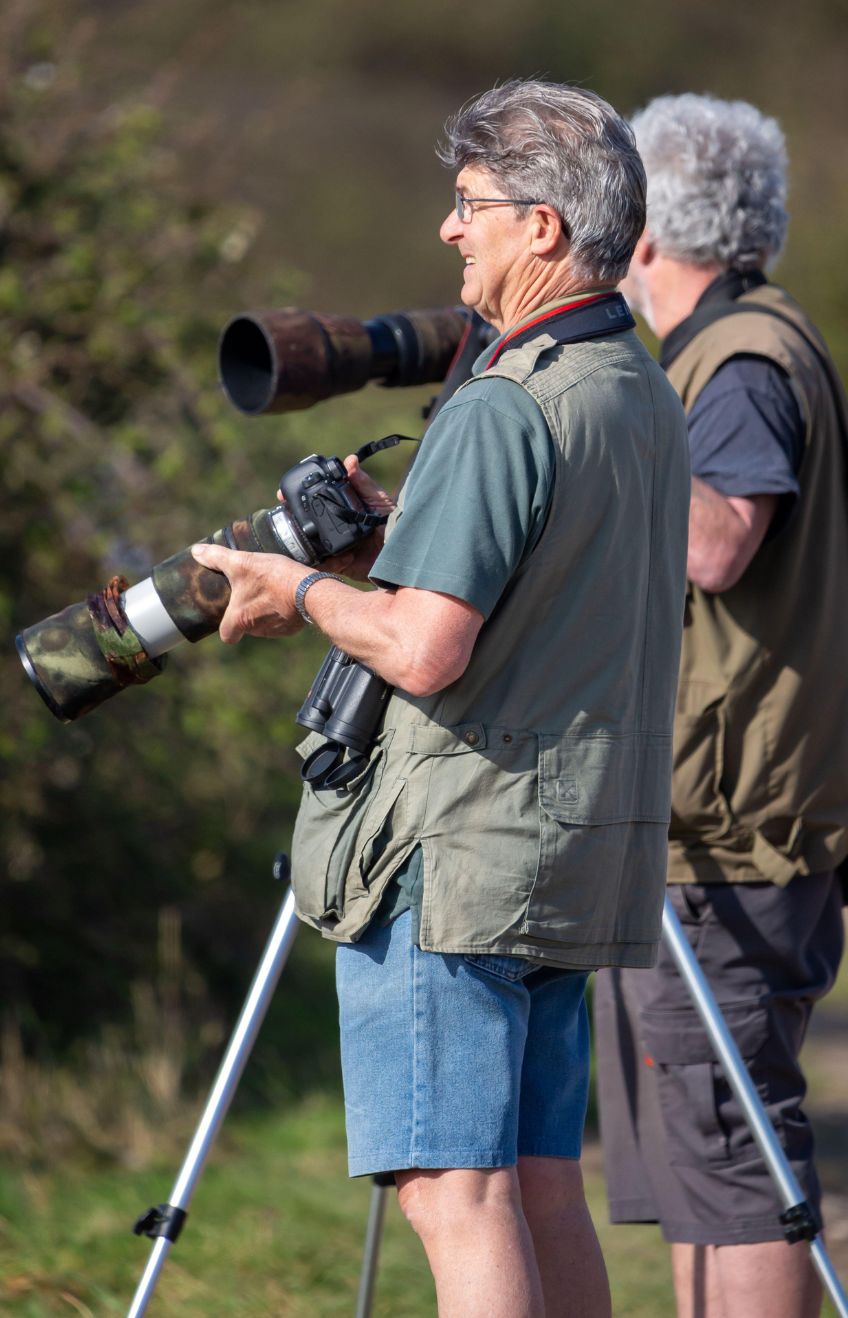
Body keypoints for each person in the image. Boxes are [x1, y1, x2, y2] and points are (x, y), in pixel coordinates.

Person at [192, 79, 690, 1318]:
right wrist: (383, 553)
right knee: (535, 1184)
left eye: (468, 205)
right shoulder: (636, 392)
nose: (445, 230)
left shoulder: (501, 404)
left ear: (542, 228)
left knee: (450, 1195)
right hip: (574, 843)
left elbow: (422, 650)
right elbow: (533, 592)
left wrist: (296, 586)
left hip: (455, 859)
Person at [593, 93, 848, 1318]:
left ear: (642, 229)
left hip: (729, 826)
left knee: (734, 1152)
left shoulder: (737, 364)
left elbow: (716, 546)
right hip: (721, 813)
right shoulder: (738, 343)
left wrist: (608, 428)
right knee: (701, 1153)